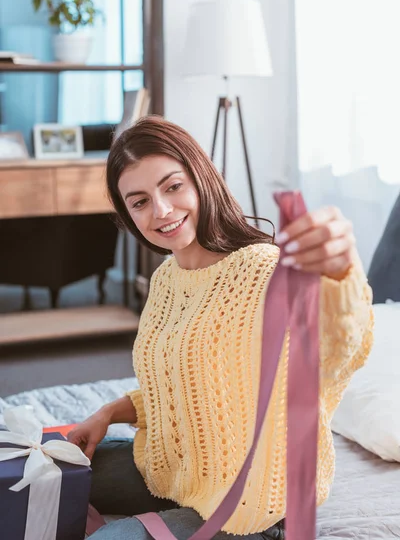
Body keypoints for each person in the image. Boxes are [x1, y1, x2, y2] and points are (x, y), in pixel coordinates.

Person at [68, 116, 373, 540]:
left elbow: (337, 347)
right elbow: (184, 383)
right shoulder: (166, 278)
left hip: (253, 506)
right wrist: (107, 413)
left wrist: (341, 271)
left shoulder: (264, 270)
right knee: (54, 472)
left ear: (201, 178)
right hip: (180, 475)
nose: (162, 211)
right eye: (139, 202)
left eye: (173, 187)